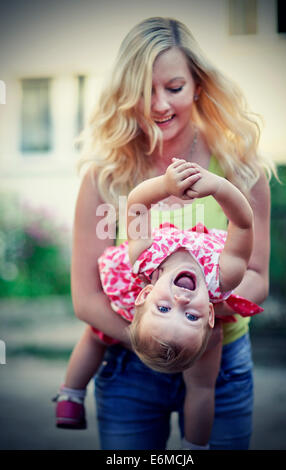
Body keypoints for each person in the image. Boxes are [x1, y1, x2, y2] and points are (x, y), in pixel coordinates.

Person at [67, 17, 274, 449]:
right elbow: (86, 299)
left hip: (224, 363)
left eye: (174, 87)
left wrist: (197, 327)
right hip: (130, 365)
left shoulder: (240, 167)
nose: (159, 105)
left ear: (197, 85)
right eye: (145, 91)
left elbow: (256, 277)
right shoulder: (105, 176)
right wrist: (160, 339)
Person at [54, 158, 263, 449]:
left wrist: (165, 186)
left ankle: (71, 393)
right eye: (191, 316)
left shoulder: (143, 258)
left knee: (96, 333)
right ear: (211, 317)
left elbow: (137, 204)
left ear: (147, 294)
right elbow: (243, 223)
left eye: (164, 309)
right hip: (196, 336)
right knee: (202, 389)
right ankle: (196, 447)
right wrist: (219, 188)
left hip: (131, 301)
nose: (180, 300)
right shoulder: (223, 276)